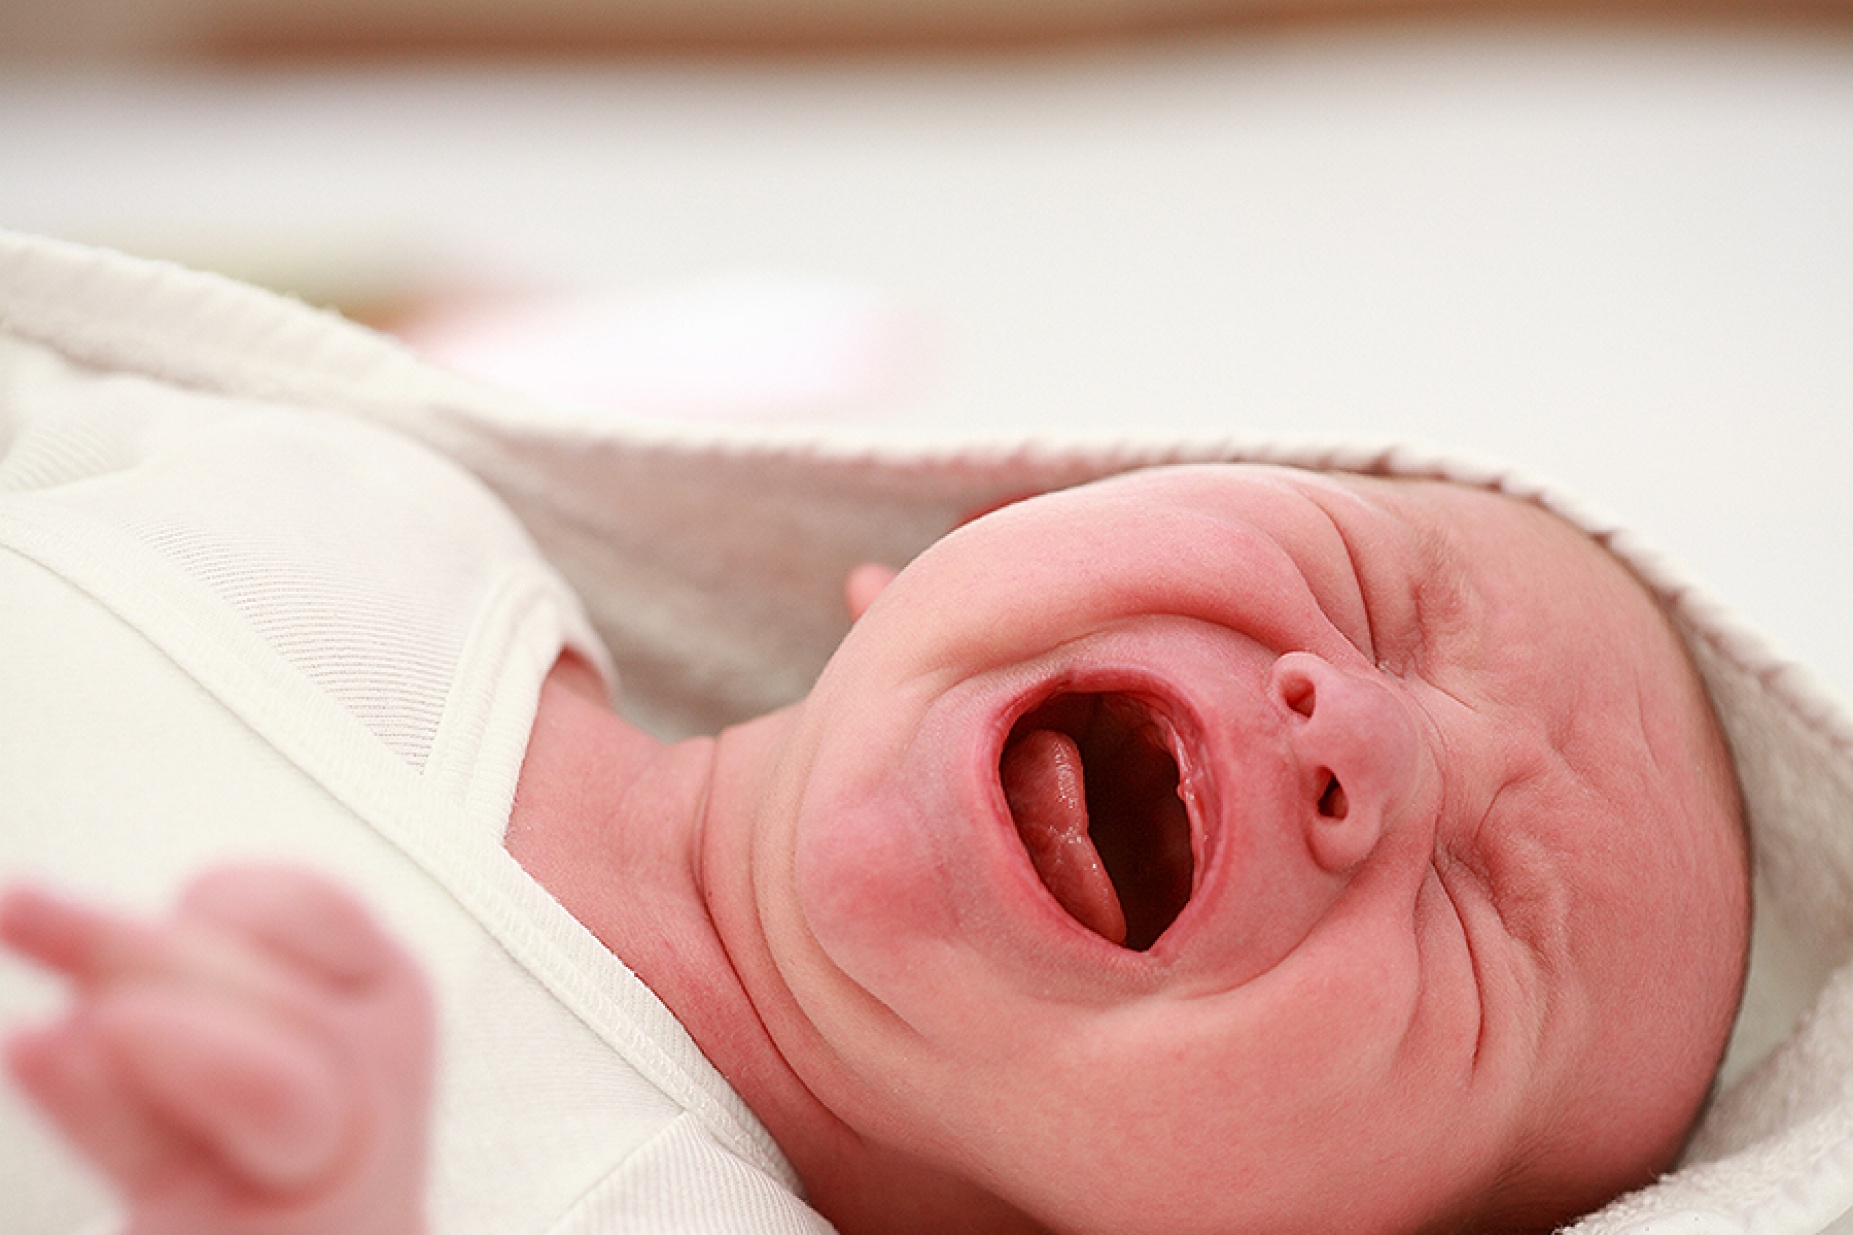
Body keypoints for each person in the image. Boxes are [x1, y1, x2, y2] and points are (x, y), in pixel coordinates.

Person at [0, 334, 1750, 1235]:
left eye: (1480, 933)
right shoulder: (352, 515)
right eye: (1381, 601)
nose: (1358, 742)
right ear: (973, 533)